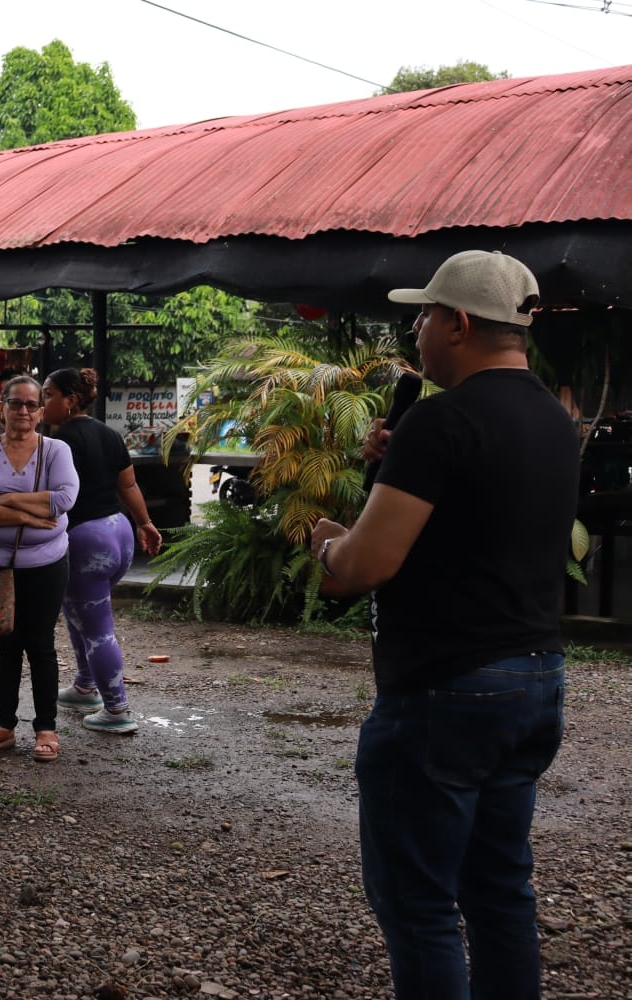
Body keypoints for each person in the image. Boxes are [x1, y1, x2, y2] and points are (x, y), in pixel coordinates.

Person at [309, 251, 576, 999]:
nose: (416, 329)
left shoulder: (440, 420)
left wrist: (324, 537)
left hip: (445, 691)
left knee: (419, 903)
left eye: (423, 315)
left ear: (457, 324)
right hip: (534, 679)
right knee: (500, 890)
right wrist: (393, 471)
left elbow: (363, 565)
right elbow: (480, 521)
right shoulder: (554, 421)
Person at [0, 375, 79, 763]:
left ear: (41, 413)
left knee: (41, 645)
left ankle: (46, 728)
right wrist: (28, 516)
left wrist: (8, 498)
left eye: (31, 405)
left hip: (46, 564)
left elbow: (63, 500)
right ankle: (3, 725)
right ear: (2, 408)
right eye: (16, 403)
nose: (23, 411)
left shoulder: (56, 450)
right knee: (5, 644)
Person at [42, 367, 162, 733]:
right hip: (119, 533)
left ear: (70, 399)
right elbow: (129, 485)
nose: (42, 403)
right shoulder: (109, 434)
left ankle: (117, 709)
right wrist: (145, 523)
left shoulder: (58, 444)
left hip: (86, 543)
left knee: (97, 627)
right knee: (78, 612)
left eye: (48, 395)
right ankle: (85, 685)